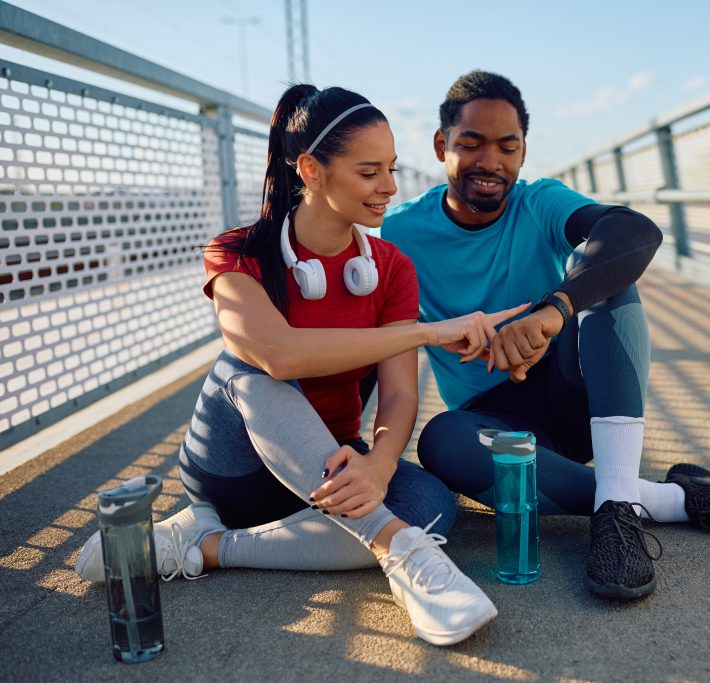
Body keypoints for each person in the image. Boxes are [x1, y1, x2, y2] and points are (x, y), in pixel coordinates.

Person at [74, 84, 527, 646]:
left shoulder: (389, 269)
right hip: (234, 471)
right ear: (311, 171)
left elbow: (400, 396)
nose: (389, 188)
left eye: (390, 169)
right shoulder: (236, 252)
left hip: (326, 470)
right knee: (250, 367)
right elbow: (278, 355)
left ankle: (203, 546)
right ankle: (402, 554)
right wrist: (429, 331)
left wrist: (381, 465)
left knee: (431, 503)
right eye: (369, 173)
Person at [381, 71, 710, 601]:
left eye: (508, 146)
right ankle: (662, 499)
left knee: (603, 270)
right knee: (441, 442)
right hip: (495, 420)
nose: (491, 161)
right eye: (471, 143)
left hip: (574, 393)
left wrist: (553, 310)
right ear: (442, 146)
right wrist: (434, 338)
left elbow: (635, 231)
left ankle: (618, 517)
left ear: (524, 152)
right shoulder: (399, 231)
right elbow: (380, 333)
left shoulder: (541, 202)